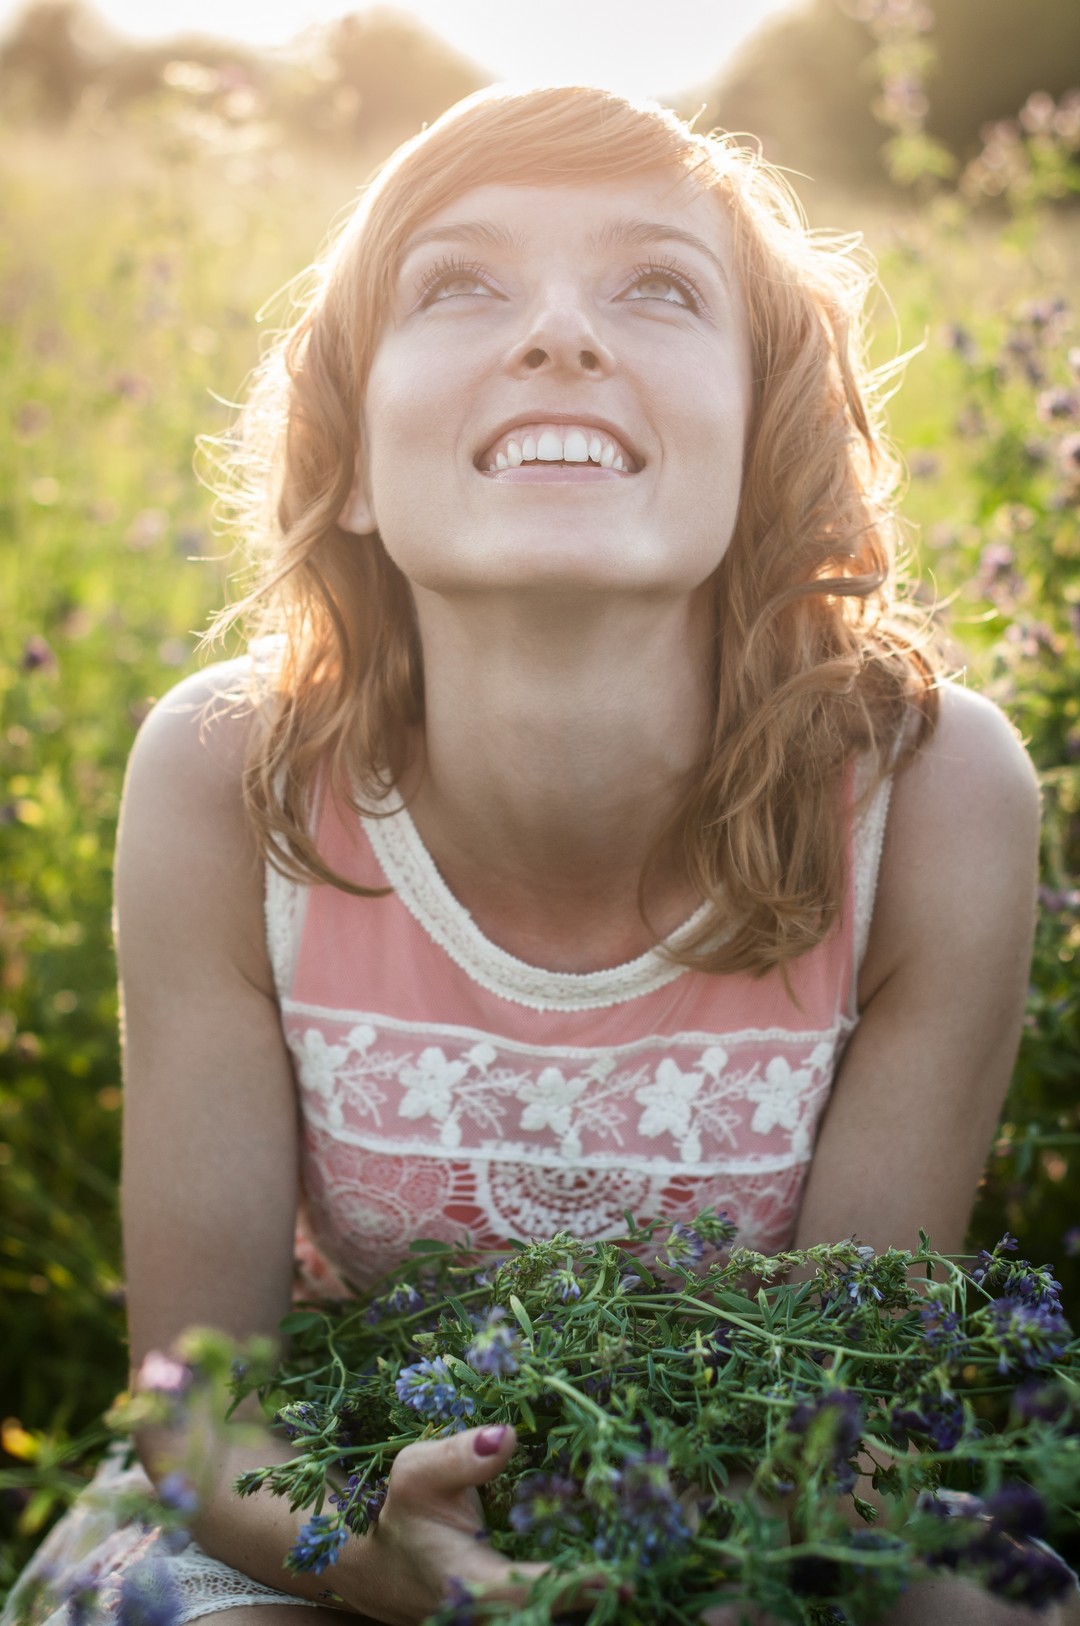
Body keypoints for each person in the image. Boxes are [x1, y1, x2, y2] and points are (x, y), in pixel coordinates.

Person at [4, 82, 1073, 1626]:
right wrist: (380, 1558)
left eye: (657, 286)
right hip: (321, 1480)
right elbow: (196, 1409)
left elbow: (851, 1418)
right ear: (355, 461)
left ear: (760, 448)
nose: (560, 337)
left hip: (787, 1496)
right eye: (459, 284)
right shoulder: (226, 780)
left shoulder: (934, 797)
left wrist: (674, 1580)